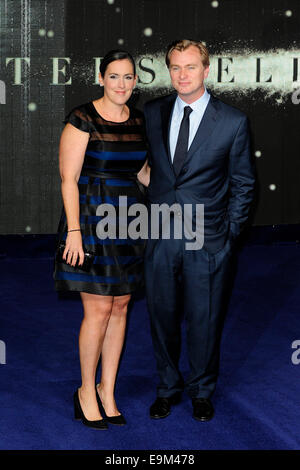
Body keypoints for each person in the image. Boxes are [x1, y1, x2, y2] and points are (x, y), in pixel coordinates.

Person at [143, 39, 255, 421]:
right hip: (160, 233)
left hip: (208, 237)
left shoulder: (233, 121)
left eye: (190, 67)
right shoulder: (153, 112)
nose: (182, 75)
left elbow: (243, 183)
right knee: (162, 315)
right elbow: (150, 170)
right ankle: (167, 387)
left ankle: (201, 390)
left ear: (206, 70)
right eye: (175, 68)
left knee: (205, 319)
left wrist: (228, 237)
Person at [53, 50, 150, 429]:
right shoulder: (82, 117)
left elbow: (143, 174)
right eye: (114, 77)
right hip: (92, 219)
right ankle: (85, 391)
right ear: (101, 77)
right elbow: (68, 179)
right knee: (98, 309)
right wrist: (74, 233)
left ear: (136, 82)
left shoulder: (139, 119)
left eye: (128, 77)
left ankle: (108, 390)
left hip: (129, 220)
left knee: (121, 306)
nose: (121, 85)